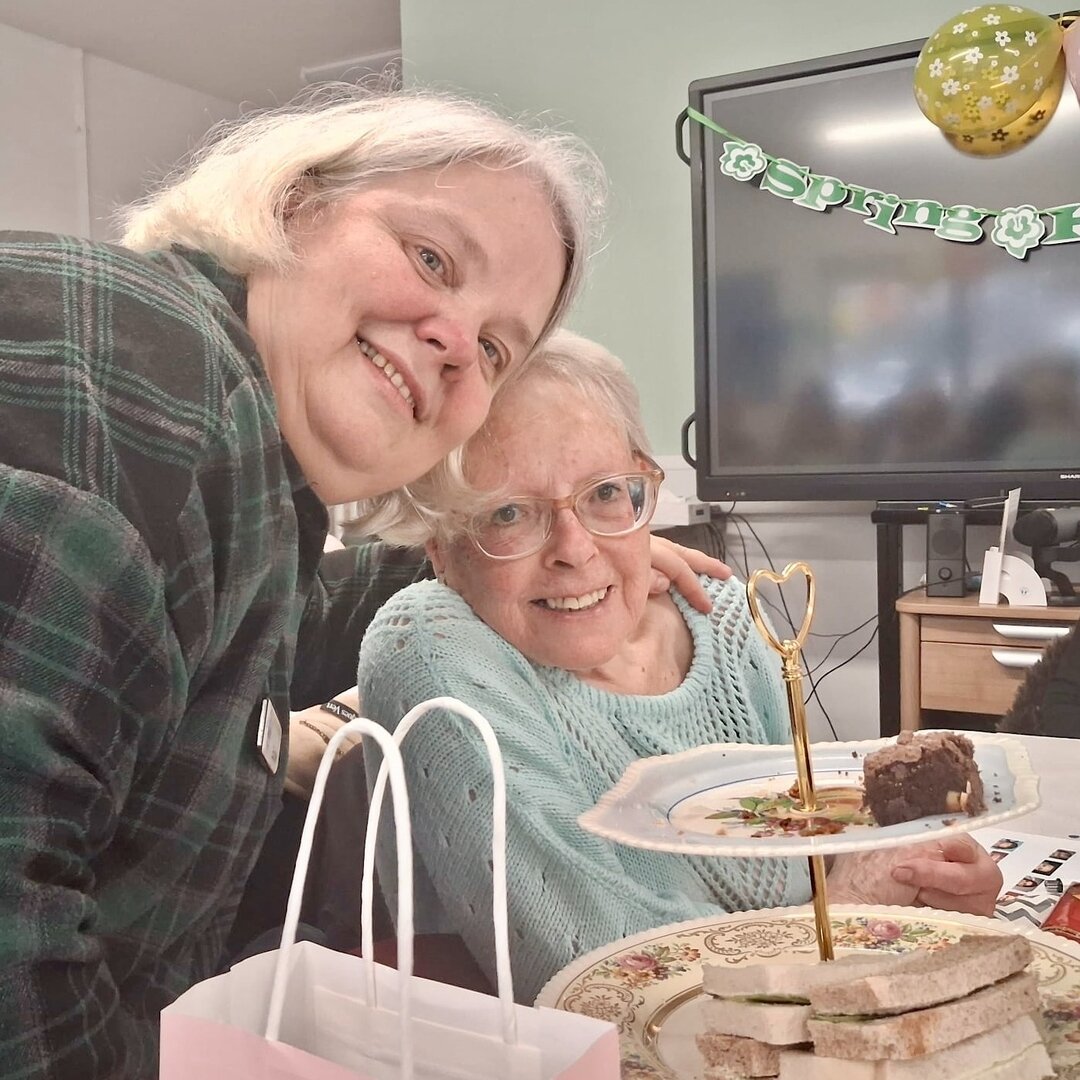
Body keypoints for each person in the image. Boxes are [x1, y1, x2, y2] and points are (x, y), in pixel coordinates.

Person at [0, 85, 628, 1079]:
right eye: (432, 258)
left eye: (498, 346)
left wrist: (537, 542)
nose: (459, 342)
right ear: (295, 203)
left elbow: (235, 623)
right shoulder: (133, 366)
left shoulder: (246, 476)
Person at [357, 330, 1002, 1004]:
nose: (575, 550)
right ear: (440, 545)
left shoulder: (723, 619)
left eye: (605, 493)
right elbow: (605, 985)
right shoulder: (431, 644)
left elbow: (815, 858)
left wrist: (926, 889)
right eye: (510, 514)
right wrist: (857, 907)